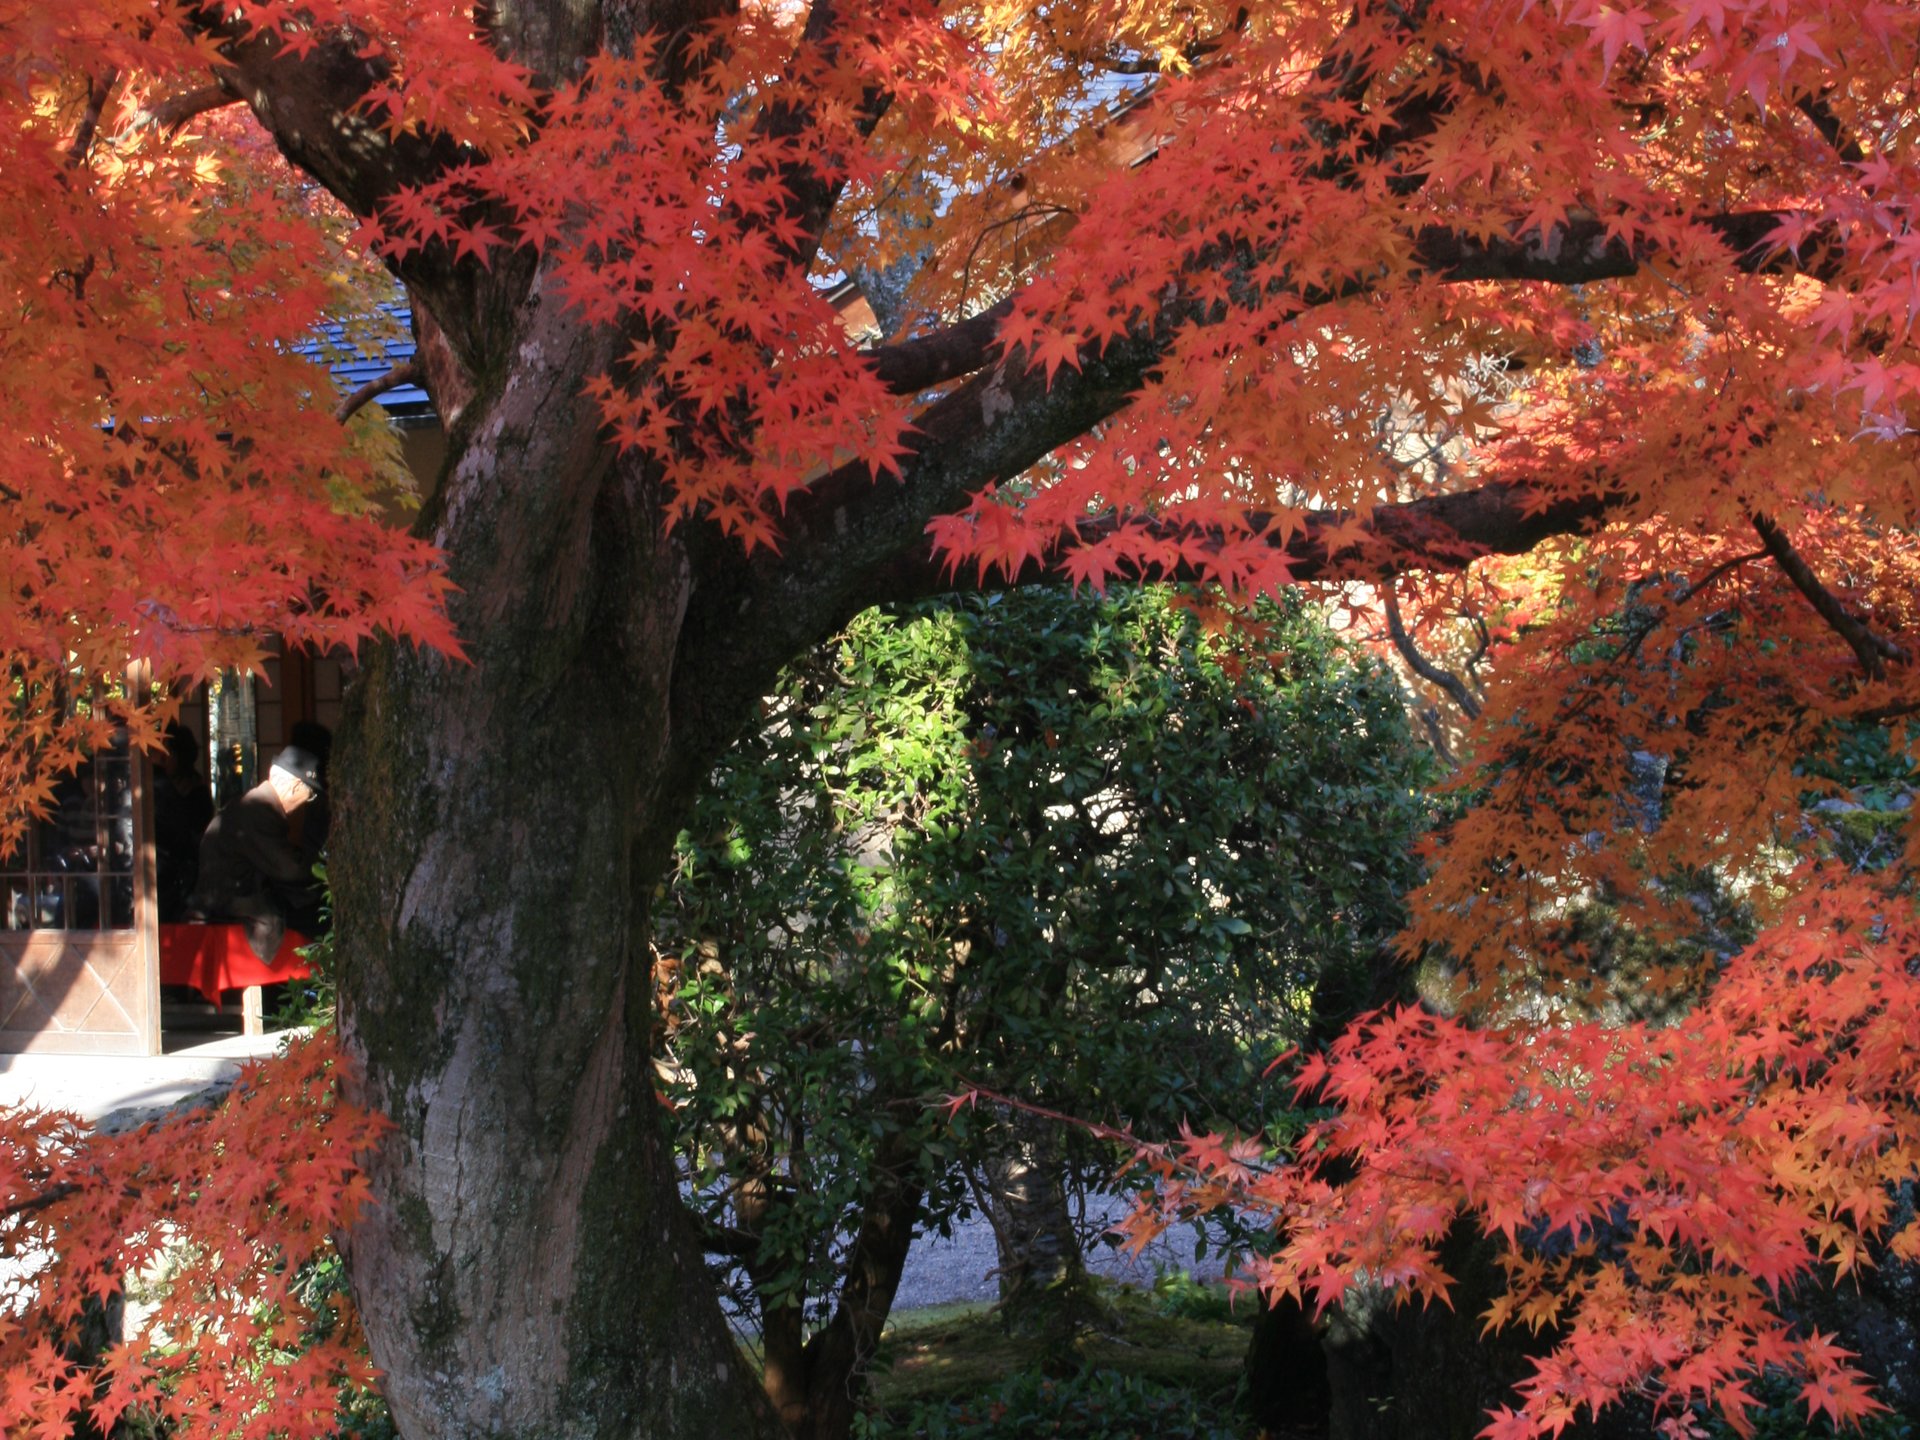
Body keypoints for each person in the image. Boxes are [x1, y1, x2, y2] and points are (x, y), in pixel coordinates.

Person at [185, 745, 324, 961]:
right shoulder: (258, 810)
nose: (305, 803)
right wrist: (322, 868)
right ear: (295, 787)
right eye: (309, 795)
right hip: (232, 904)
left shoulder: (252, 805)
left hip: (228, 899)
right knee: (319, 917)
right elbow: (289, 868)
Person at [153, 722, 214, 923]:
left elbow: (195, 834)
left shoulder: (195, 790)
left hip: (187, 869)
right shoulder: (163, 787)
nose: (161, 757)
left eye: (166, 751)